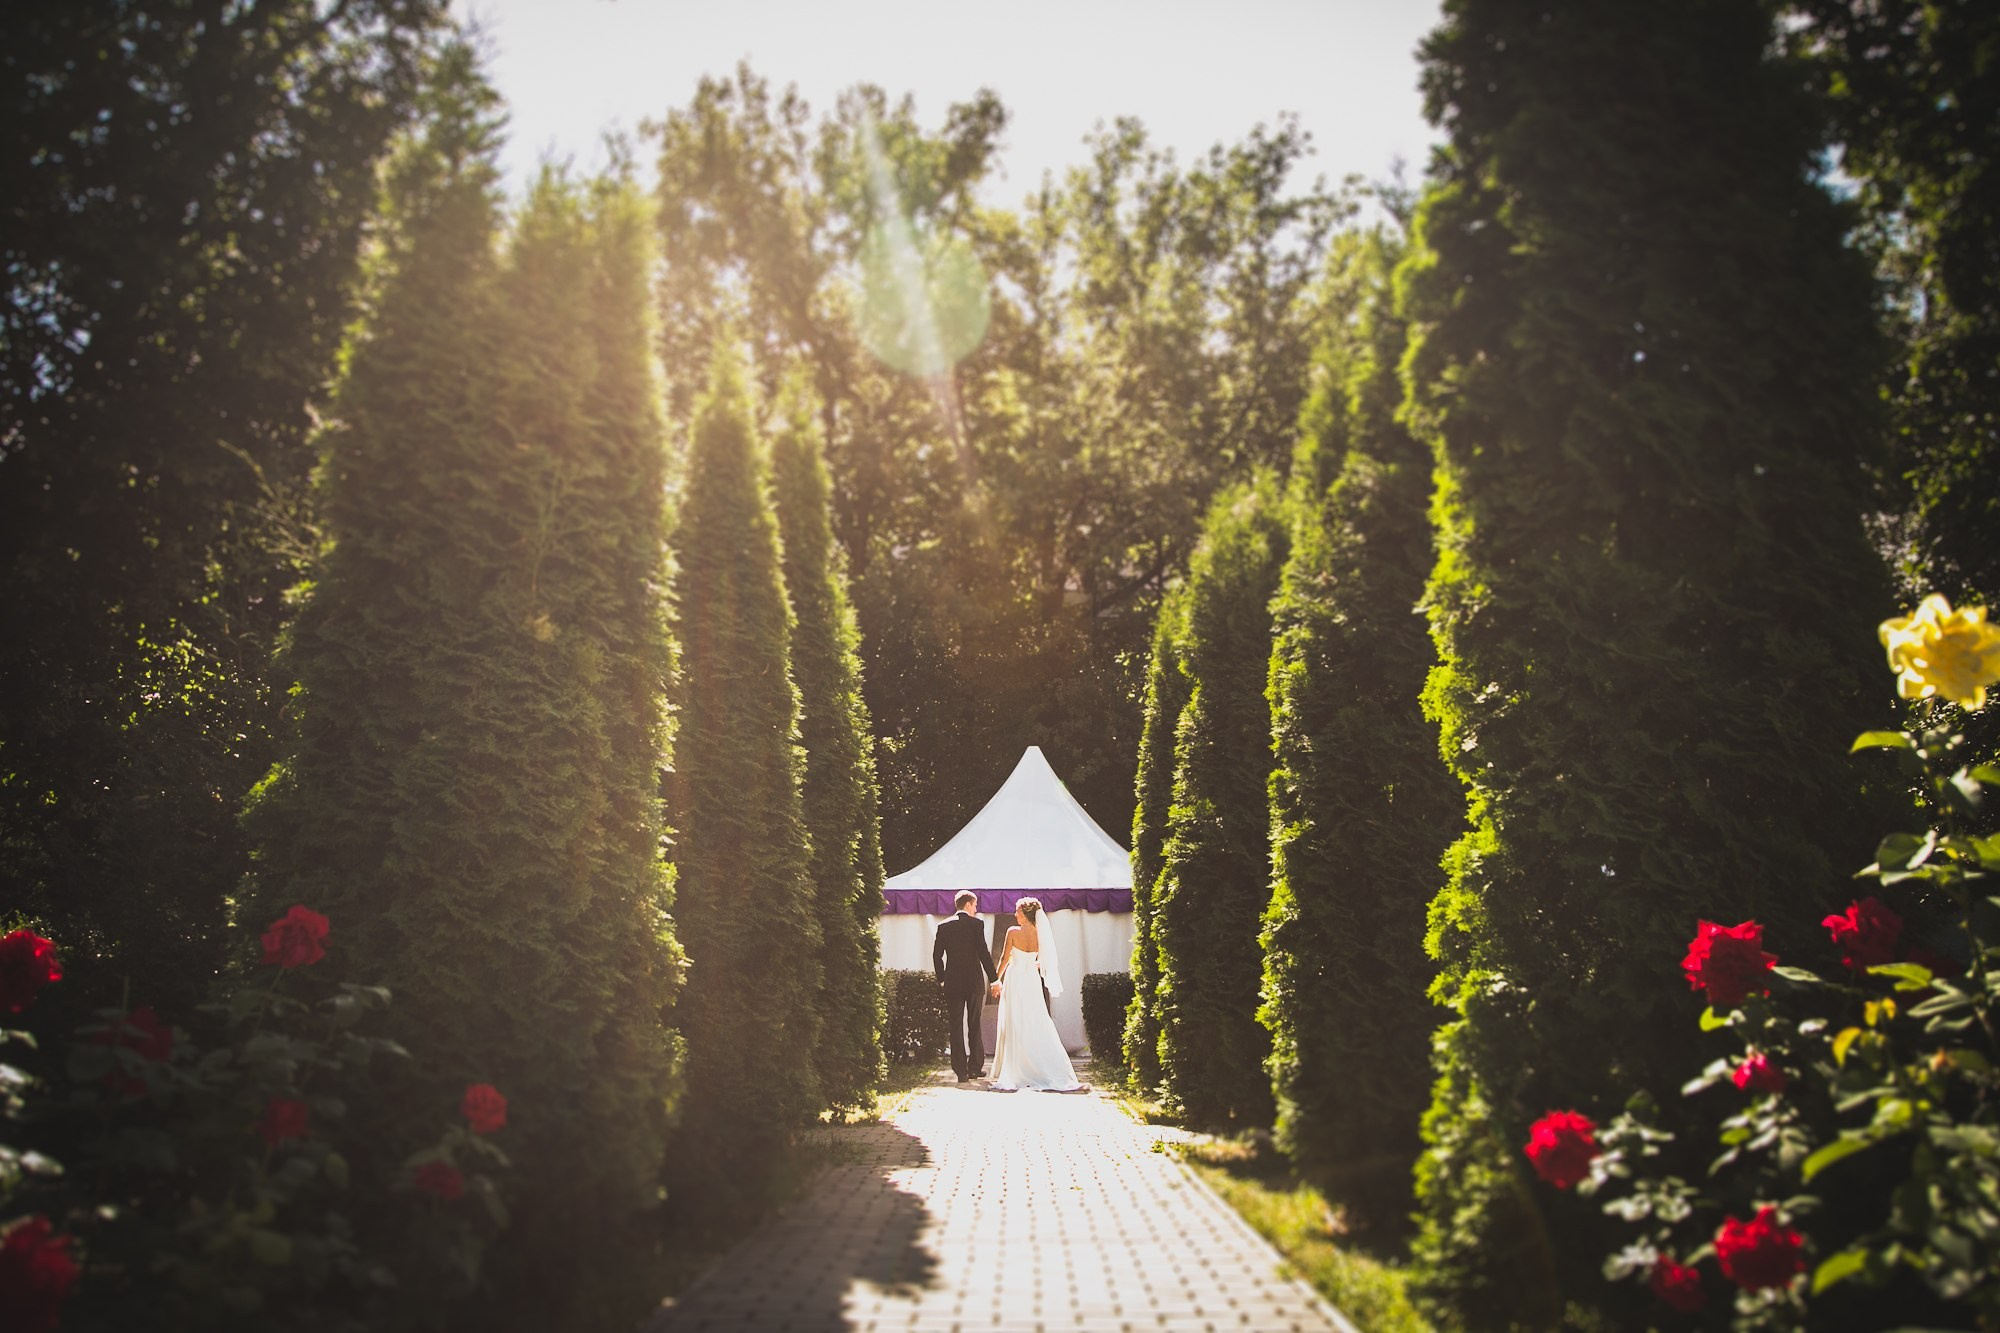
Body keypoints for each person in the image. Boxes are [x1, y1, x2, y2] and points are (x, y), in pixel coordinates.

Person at [988, 897, 1082, 1092]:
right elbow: (1043, 961)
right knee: (1035, 1018)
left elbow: (1005, 958)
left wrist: (995, 980)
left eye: (1017, 911)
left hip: (1015, 979)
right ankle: (1041, 1063)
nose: (1015, 915)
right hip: (1031, 979)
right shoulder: (1041, 934)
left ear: (1025, 913)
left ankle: (1017, 1067)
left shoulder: (1013, 932)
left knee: (1015, 1019)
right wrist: (1032, 963)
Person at [932, 890, 997, 1084]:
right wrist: (994, 979)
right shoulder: (976, 924)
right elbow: (984, 953)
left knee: (955, 1026)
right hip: (974, 982)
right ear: (968, 904)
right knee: (974, 1024)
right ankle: (975, 1068)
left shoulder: (943, 926)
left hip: (952, 983)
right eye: (975, 905)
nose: (976, 909)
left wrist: (942, 979)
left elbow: (937, 956)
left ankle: (961, 1072)